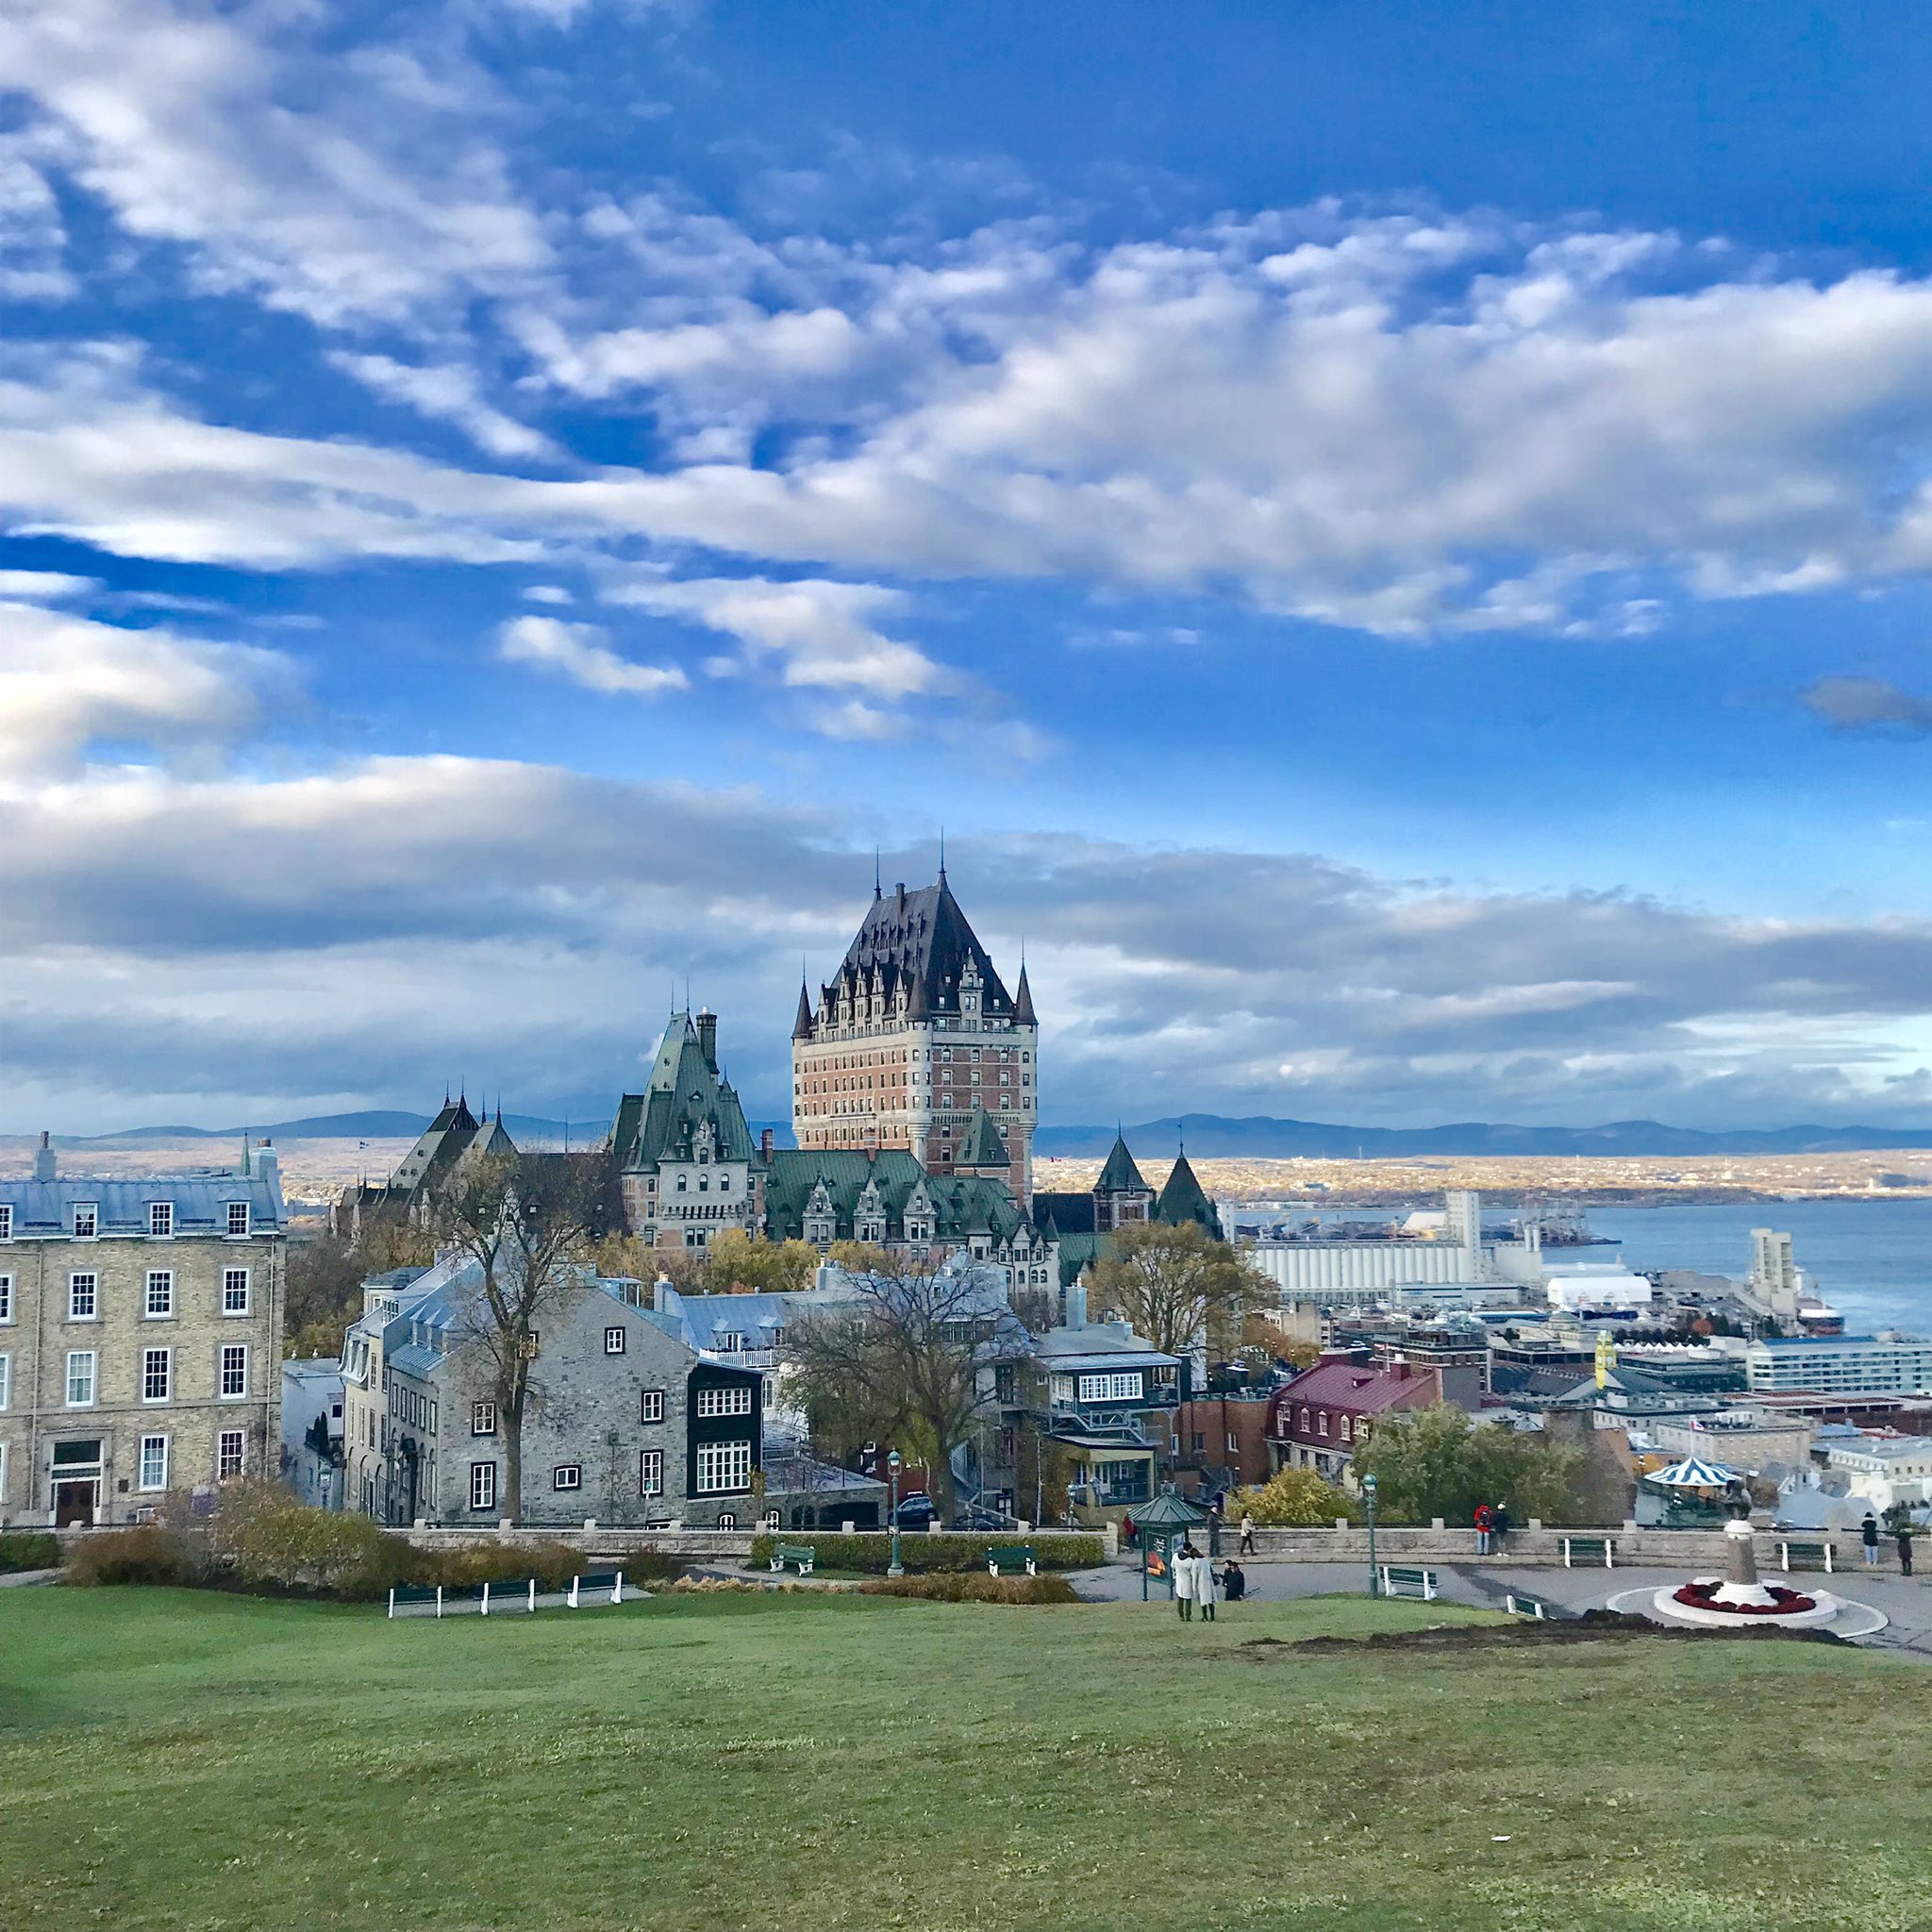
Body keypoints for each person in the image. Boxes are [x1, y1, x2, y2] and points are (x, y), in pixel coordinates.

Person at [1172, 1541, 1197, 1622]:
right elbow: (1193, 1573)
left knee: (1180, 1598)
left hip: (1179, 1579)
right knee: (1188, 1599)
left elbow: (1172, 1565)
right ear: (1190, 1549)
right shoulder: (1191, 1560)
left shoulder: (1175, 1556)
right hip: (1187, 1580)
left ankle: (1181, 1615)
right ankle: (1188, 1616)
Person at [1196, 1552, 1219, 1623]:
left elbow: (1194, 1575)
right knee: (1211, 1601)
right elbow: (1212, 1570)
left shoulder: (1196, 1562)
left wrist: (1194, 1587)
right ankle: (1212, 1616)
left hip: (1201, 1583)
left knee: (1203, 1601)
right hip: (1209, 1582)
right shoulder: (1206, 1560)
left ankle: (1205, 1616)